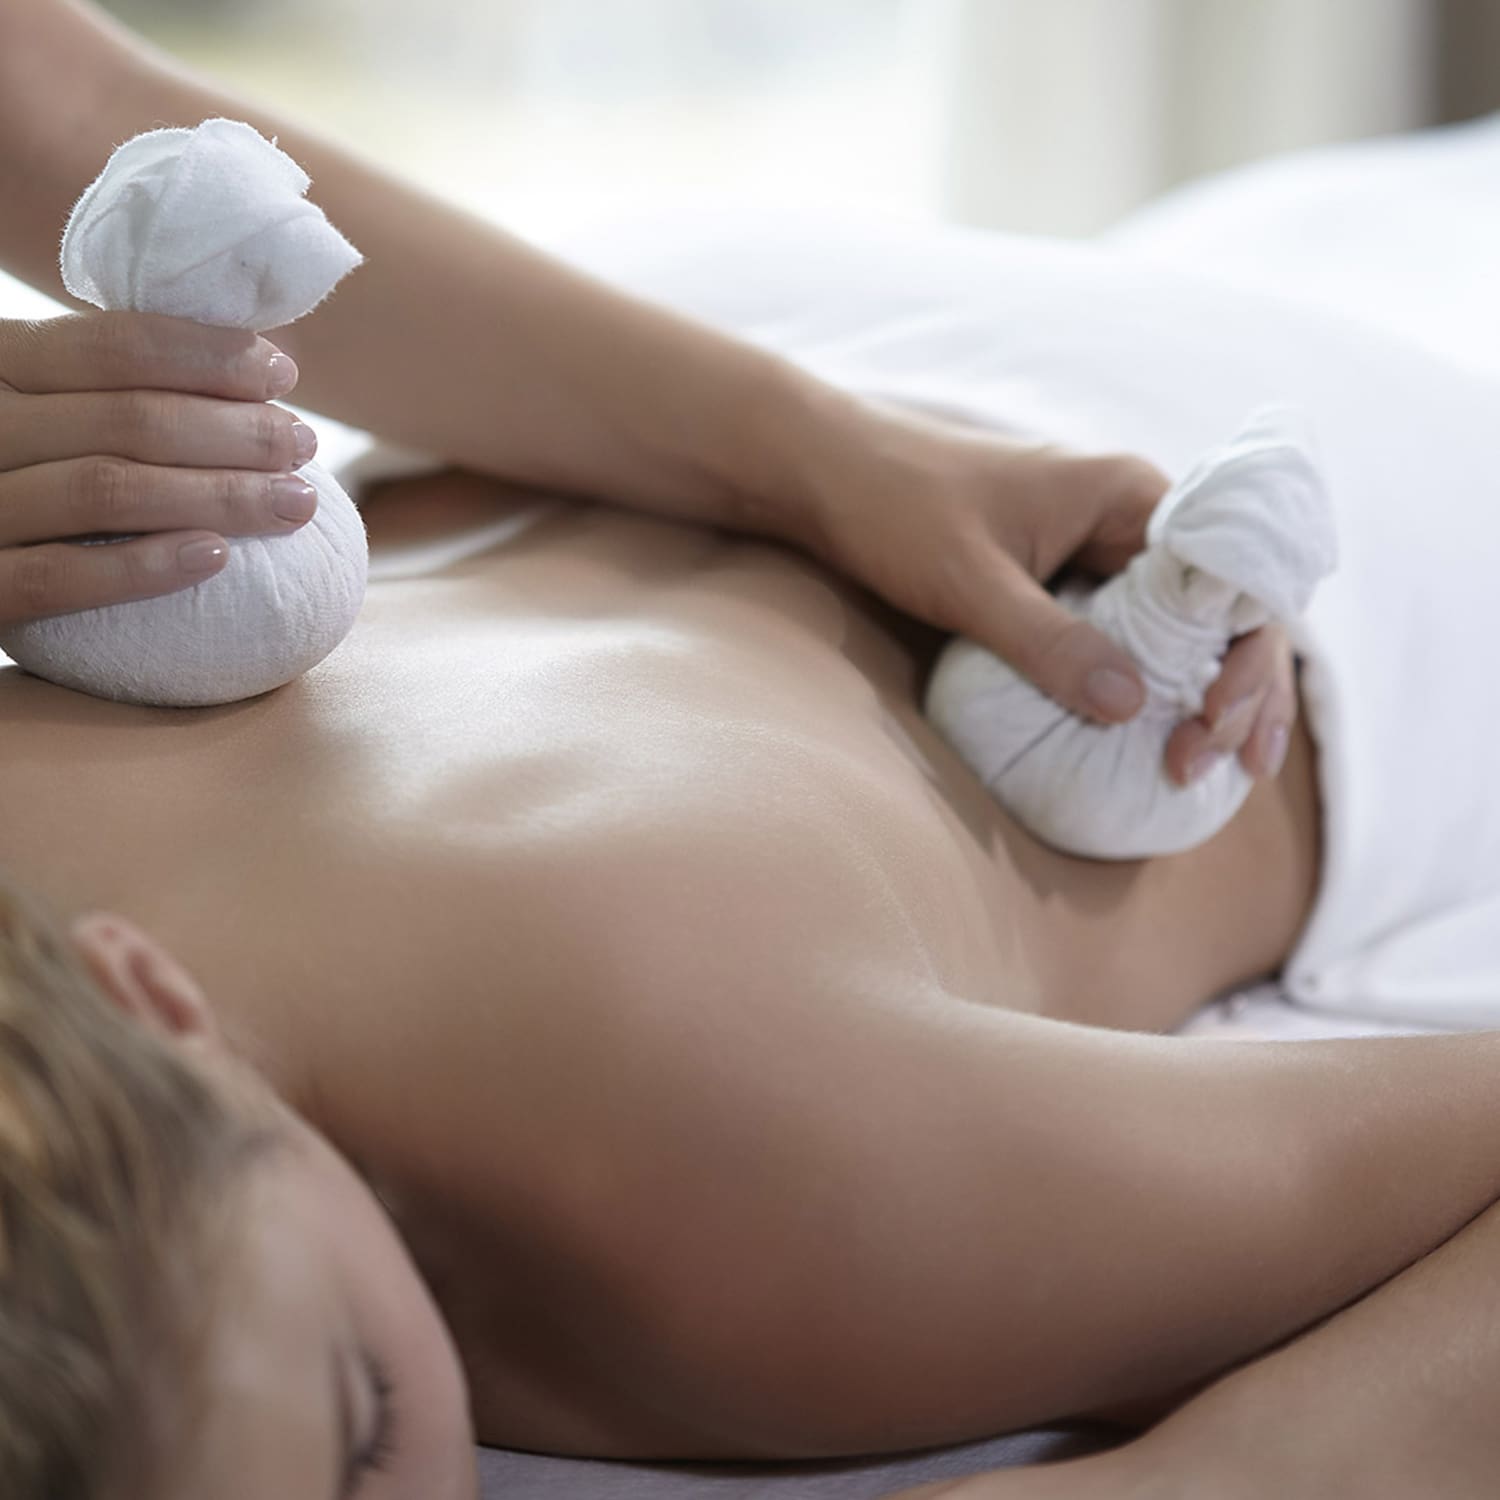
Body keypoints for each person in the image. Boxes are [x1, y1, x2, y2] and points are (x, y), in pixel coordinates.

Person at [3, 4, 1498, 1500]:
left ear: (155, 1005)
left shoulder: (771, 1214)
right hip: (626, 365)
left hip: (1260, 521)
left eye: (368, 1428)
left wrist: (1232, 1472)